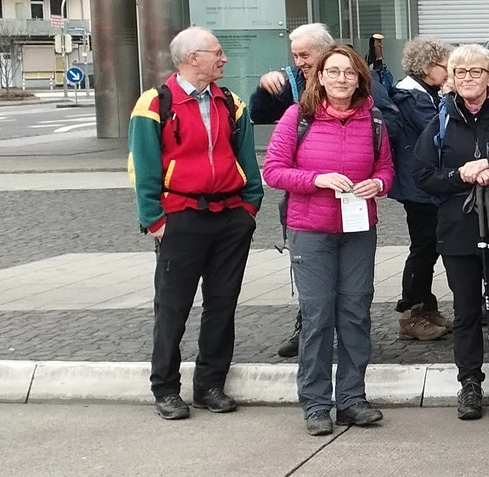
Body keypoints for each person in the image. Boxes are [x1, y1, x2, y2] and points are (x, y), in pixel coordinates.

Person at [129, 27, 264, 420]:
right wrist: (154, 220)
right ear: (192, 57)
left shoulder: (231, 103)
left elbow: (247, 159)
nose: (223, 59)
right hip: (180, 219)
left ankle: (209, 385)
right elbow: (144, 166)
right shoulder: (154, 104)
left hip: (230, 217)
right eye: (216, 53)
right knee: (172, 307)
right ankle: (166, 389)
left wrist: (249, 208)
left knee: (222, 305)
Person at [261, 43, 394, 435]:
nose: (341, 79)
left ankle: (352, 399)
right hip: (311, 231)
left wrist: (378, 184)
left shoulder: (374, 121)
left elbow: (387, 169)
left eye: (349, 73)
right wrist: (316, 179)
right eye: (333, 72)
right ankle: (316, 404)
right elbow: (274, 171)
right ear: (319, 77)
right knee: (318, 317)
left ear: (359, 79)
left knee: (355, 313)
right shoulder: (296, 117)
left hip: (357, 231)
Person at [413, 44, 489, 420]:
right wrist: (458, 175)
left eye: (476, 72)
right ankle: (470, 384)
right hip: (459, 229)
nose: (467, 80)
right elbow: (423, 174)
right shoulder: (441, 120)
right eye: (460, 73)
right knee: (465, 311)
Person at [252, 22, 334, 361]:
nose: (299, 61)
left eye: (305, 54)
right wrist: (263, 89)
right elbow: (258, 114)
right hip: (301, 192)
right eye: (296, 55)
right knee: (307, 266)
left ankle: (349, 330)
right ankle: (308, 327)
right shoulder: (290, 82)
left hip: (345, 192)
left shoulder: (351, 75)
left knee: (350, 272)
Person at [369, 36, 451, 343]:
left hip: (423, 186)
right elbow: (439, 133)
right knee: (423, 248)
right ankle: (412, 312)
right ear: (429, 67)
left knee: (428, 248)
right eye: (445, 67)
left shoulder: (421, 92)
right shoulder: (410, 96)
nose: (449, 73)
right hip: (420, 189)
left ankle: (426, 307)